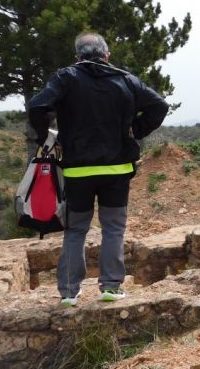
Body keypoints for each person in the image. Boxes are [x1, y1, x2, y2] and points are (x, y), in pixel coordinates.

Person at [28, 32, 168, 306]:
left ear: (77, 56)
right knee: (113, 228)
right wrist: (135, 131)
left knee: (76, 230)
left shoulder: (67, 77)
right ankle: (111, 287)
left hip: (78, 171)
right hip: (117, 169)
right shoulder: (126, 79)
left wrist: (43, 136)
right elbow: (159, 105)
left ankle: (69, 292)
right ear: (107, 56)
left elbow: (37, 105)